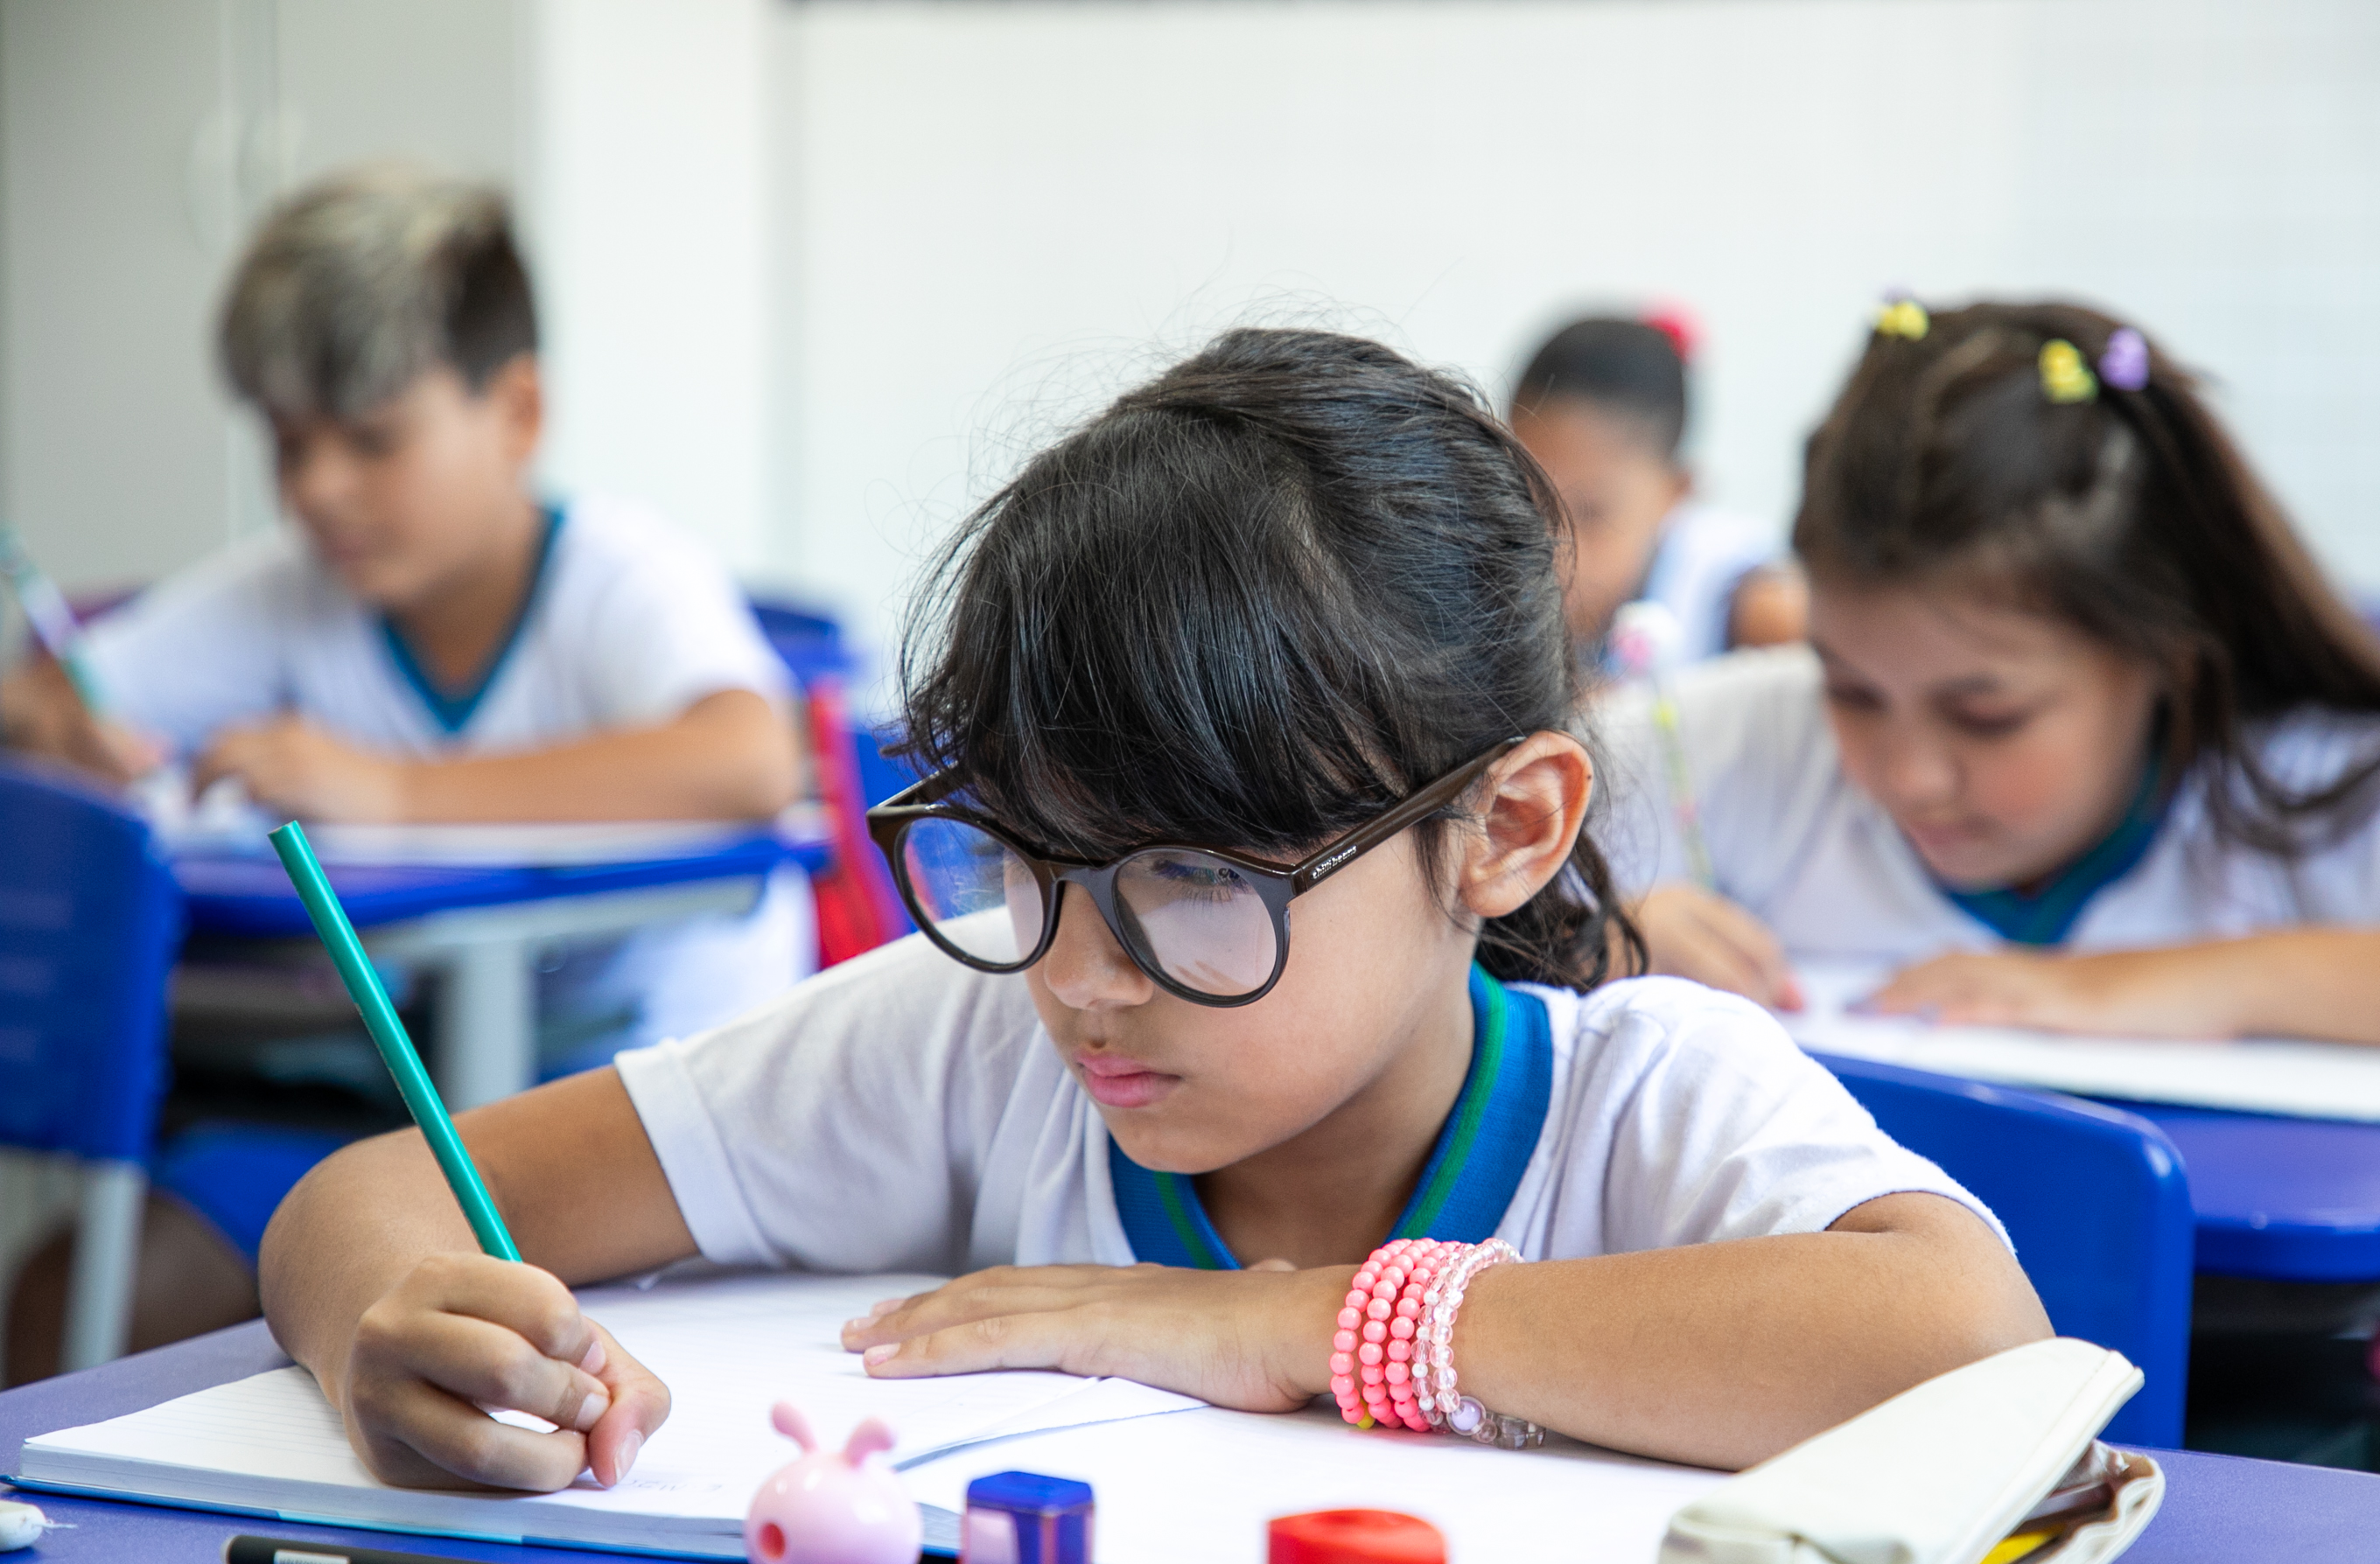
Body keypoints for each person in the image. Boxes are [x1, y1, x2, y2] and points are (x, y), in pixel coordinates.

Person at [259, 328, 2047, 1492]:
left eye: (1195, 878)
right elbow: (377, 1190)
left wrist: (1284, 1322)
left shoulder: (1646, 1101)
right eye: (1023, 862)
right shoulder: (971, 1043)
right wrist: (385, 1333)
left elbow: (1970, 1351)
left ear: (1502, 829)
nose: (1079, 976)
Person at [0, 164, 812, 1380]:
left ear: (517, 412)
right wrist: (56, 725)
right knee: (77, 1299)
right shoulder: (290, 587)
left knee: (482, 1337)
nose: (321, 487)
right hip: (385, 1119)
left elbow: (750, 757)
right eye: (287, 442)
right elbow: (51, 693)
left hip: (649, 1125)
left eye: (373, 439)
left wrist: (391, 791)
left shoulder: (617, 577)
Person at [1606, 298, 2380, 1056]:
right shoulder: (1739, 743)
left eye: (1987, 714)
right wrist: (1568, 936)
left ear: (2165, 655)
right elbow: (1464, 847)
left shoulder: (2317, 798)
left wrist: (2221, 981)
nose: (1908, 774)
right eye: (1852, 689)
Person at [1508, 314, 1807, 671]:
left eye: (1591, 514)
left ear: (1676, 494)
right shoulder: (1499, 601)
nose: (1552, 548)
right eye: (1524, 504)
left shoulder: (1756, 611)